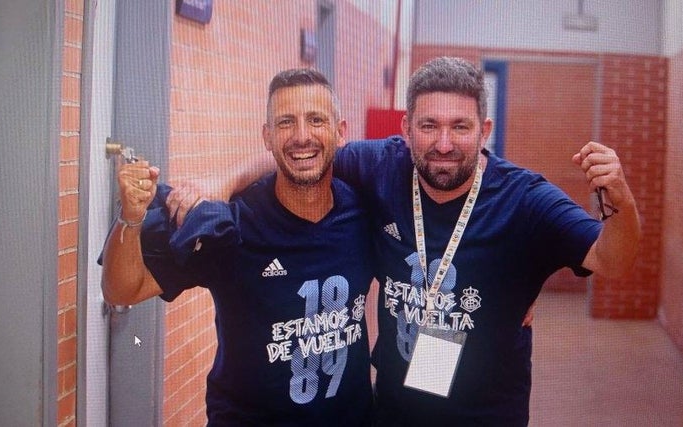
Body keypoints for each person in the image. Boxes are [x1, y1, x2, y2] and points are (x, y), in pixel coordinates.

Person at [175, 56, 641, 426]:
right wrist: (221, 182)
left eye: (460, 127)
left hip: (484, 415)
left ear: (485, 131)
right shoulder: (381, 165)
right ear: (405, 129)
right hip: (395, 412)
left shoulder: (527, 200)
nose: (443, 143)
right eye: (428, 126)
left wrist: (619, 199)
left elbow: (612, 260)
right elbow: (303, 154)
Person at [101, 68, 375, 426]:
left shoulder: (365, 211)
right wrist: (132, 218)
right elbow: (123, 288)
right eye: (285, 123)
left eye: (316, 120)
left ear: (341, 132)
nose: (302, 136)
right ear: (267, 137)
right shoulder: (230, 225)